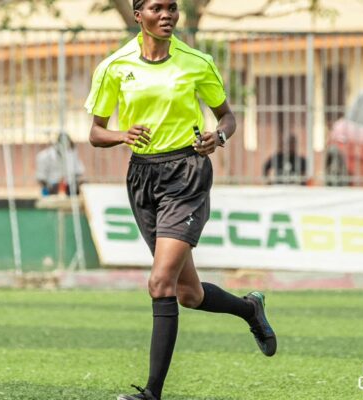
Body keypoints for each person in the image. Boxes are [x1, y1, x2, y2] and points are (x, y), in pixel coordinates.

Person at [85, 1, 277, 399]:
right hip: (141, 176)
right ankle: (249, 309)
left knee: (160, 282)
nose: (168, 14)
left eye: (173, 7)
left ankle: (151, 393)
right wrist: (122, 134)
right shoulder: (115, 67)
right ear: (138, 14)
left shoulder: (197, 61)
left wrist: (218, 137)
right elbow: (95, 132)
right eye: (158, 7)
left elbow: (228, 116)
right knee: (189, 294)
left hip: (187, 173)